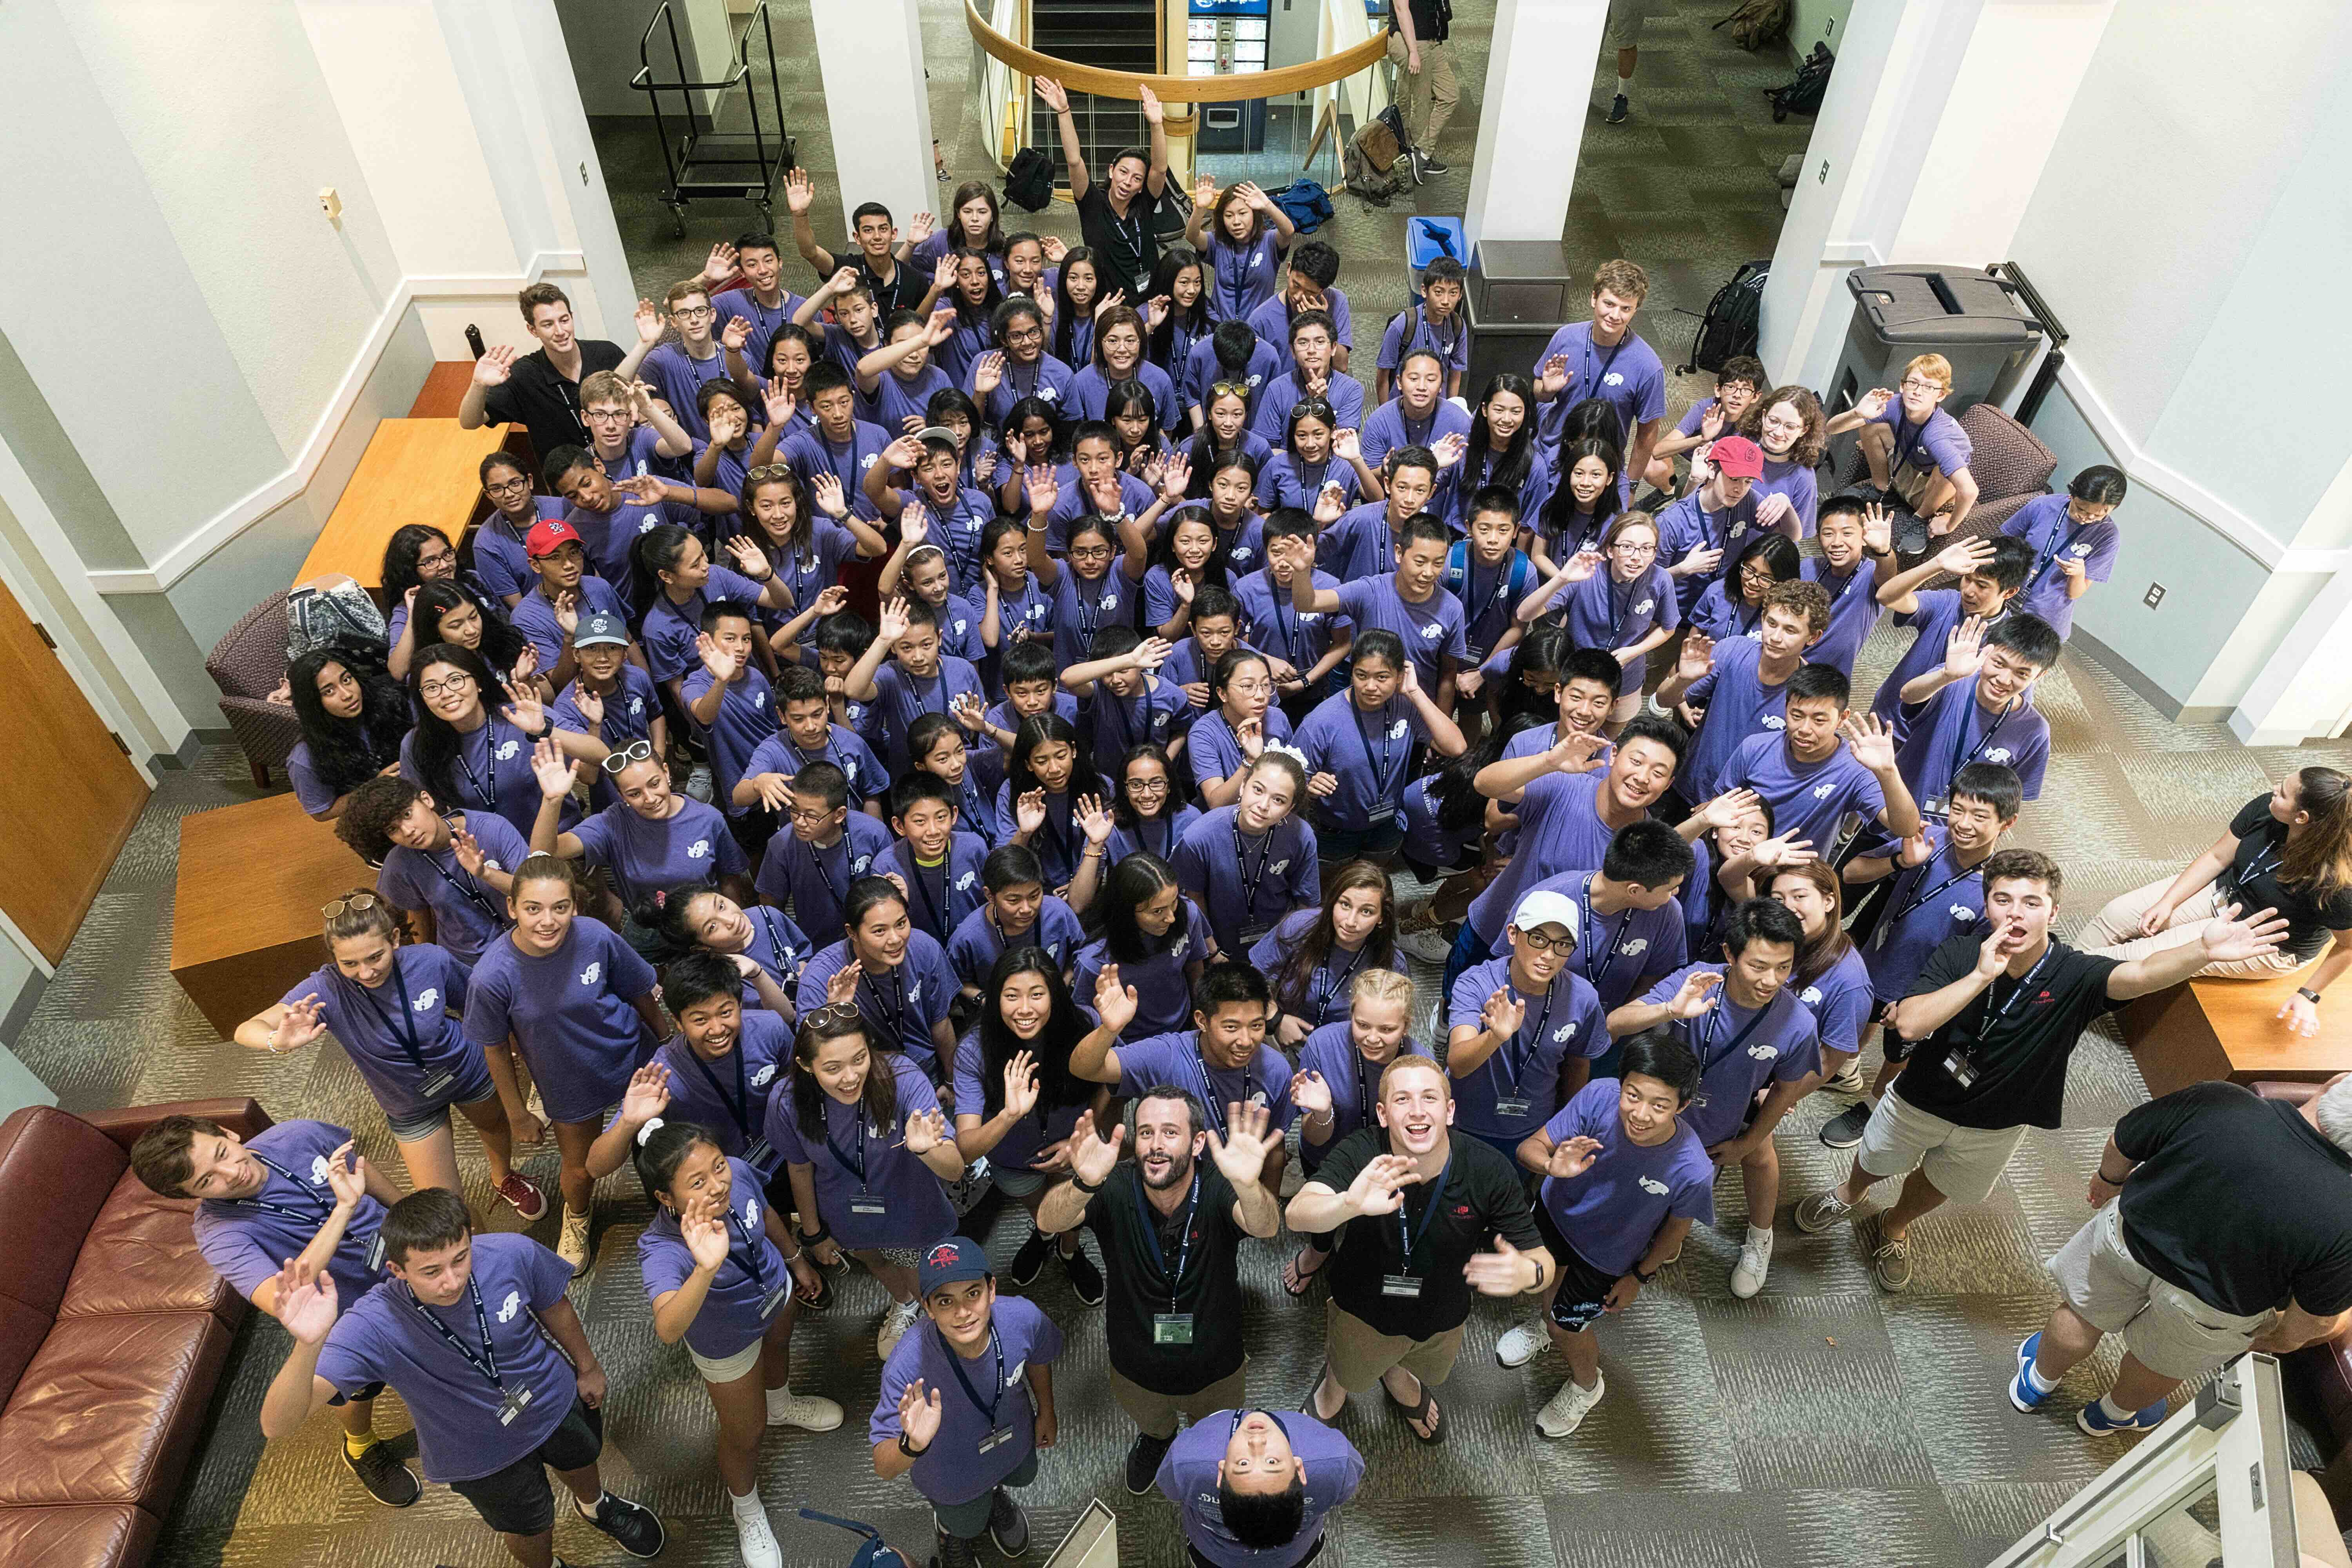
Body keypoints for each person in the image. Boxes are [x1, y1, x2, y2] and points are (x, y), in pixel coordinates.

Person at [1795, 851, 2290, 1292]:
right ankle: (1849, 1193)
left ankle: (1895, 1226)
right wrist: (1980, 976)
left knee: (1942, 1179)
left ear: (2053, 912)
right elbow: (1910, 1021)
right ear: (1988, 906)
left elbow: (2140, 974)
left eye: (2031, 903)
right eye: (2003, 900)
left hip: (1999, 1121)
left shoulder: (2075, 972)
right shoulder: (1960, 954)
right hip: (1920, 1097)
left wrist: (2201, 952)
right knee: (1878, 1155)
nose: (2016, 913)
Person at [256, 1188, 666, 1567]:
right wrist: (307, 1345)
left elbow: (554, 1305)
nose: (451, 1280)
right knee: (530, 1525)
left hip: (552, 1398)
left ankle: (595, 1505)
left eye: (460, 1258)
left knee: (581, 1457)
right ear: (397, 1268)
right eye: (431, 1271)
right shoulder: (372, 1324)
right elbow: (278, 1423)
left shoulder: (510, 1253)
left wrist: (588, 1365)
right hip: (477, 1453)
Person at [2011, 1077, 2352, 1435]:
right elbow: (2313, 1321)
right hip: (2215, 1306)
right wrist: (2280, 1340)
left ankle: (2037, 1381)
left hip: (2129, 1242)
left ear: (2331, 1085)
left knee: (2081, 1316)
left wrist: (2108, 1180)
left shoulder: (2222, 1100)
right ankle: (2113, 1414)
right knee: (2159, 1366)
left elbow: (2122, 1141)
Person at [129, 1118, 421, 1507]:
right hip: (350, 1314)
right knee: (359, 1390)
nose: (232, 1172)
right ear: (187, 1195)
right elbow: (284, 1298)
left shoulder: (298, 1135)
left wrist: (414, 1215)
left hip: (404, 1262)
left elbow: (362, 1173)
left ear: (227, 1133)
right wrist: (342, 1211)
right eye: (206, 1181)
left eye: (222, 1153)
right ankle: (361, 1446)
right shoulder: (219, 1235)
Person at [1290, 1053, 1555, 1441]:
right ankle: (1335, 1383)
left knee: (1424, 1366)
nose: (1417, 1111)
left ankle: (1397, 1372)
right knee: (1350, 1367)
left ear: (1449, 1111)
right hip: (1363, 1307)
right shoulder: (1363, 1152)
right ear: (1383, 1114)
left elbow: (1541, 1263)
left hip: (1443, 1314)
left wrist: (1528, 1274)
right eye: (1402, 1100)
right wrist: (1348, 1204)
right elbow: (1298, 1213)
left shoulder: (1487, 1169)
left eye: (1429, 1098)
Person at [1033, 1083, 1281, 1491]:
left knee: (1216, 1430)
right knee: (1153, 1421)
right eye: (1146, 1132)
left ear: (1198, 1141)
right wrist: (1083, 1184)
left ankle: (1204, 1448)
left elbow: (1266, 1226)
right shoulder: (1113, 1184)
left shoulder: (1219, 1183)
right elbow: (1048, 1221)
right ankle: (1158, 1439)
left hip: (1217, 1362)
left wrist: (1250, 1185)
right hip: (1135, 1362)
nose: (1155, 1145)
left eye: (1170, 1132)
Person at [232, 894, 541, 1214]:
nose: (366, 973)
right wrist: (276, 1041)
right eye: (349, 964)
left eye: (374, 957)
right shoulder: (326, 988)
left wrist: (512, 1054)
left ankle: (503, 1177)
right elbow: (246, 1029)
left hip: (466, 1068)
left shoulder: (431, 960)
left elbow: (481, 1010)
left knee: (493, 1127)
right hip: (408, 1102)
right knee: (445, 1207)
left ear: (394, 939)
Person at [622, 1117, 839, 1568]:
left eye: (717, 1167)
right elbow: (667, 1328)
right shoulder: (660, 1247)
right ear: (667, 1198)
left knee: (779, 1353)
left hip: (775, 1294)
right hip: (726, 1340)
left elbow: (767, 1212)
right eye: (697, 1183)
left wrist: (796, 1261)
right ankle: (747, 1510)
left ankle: (783, 1405)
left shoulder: (738, 1172)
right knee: (747, 1432)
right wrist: (704, 1268)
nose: (718, 1185)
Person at [463, 855, 667, 1273]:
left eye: (560, 907)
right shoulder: (491, 976)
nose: (547, 921)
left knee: (664, 1142)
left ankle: (673, 1201)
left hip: (633, 1057)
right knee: (579, 1168)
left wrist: (666, 1043)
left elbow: (640, 990)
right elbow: (496, 1048)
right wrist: (517, 1113)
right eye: (533, 909)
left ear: (575, 905)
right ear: (513, 908)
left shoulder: (595, 936)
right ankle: (576, 1217)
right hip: (567, 1080)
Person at [1510, 1031, 1716, 1436]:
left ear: (1683, 1106)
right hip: (1555, 1214)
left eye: (1660, 1105)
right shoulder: (1599, 1095)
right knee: (1542, 1283)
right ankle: (1545, 1324)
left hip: (1607, 1257)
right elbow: (1529, 1148)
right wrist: (1551, 1166)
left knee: (1567, 1327)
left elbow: (1677, 1230)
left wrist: (1639, 1277)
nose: (1640, 1113)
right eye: (1633, 1095)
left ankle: (1587, 1386)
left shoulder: (1693, 1169)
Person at [1824, 762, 2021, 1151]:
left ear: (2007, 822)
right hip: (1877, 960)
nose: (1963, 823)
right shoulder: (1925, 836)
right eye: (1958, 809)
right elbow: (1850, 873)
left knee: (1898, 1052)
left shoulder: (1997, 893)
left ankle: (1875, 1105)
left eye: (1980, 816)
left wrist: (1923, 1004)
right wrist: (1899, 862)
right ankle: (1847, 1069)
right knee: (1863, 1014)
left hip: (1918, 992)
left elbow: (1973, 967)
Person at [771, 1004, 965, 1356]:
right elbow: (799, 1168)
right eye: (832, 1068)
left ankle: (933, 1331)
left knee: (926, 1286)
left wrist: (926, 1151)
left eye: (859, 1059)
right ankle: (903, 1304)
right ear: (805, 1066)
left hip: (909, 1210)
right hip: (845, 1212)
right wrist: (814, 1233)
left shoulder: (903, 1079)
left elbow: (955, 1169)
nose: (850, 1077)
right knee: (874, 1260)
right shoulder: (787, 1102)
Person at [2079, 765, 2352, 1008]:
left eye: (2282, 793)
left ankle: (2057, 988)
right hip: (2225, 893)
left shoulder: (2337, 884)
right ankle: (2055, 975)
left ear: (2302, 818)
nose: (2273, 790)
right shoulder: (2268, 810)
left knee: (2134, 957)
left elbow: (2348, 948)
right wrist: (2168, 902)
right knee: (2116, 913)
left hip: (2260, 938)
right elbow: (2217, 857)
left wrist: (2308, 995)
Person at [870, 1236, 1063, 1568]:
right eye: (945, 1302)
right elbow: (883, 1468)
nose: (962, 1313)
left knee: (1024, 1474)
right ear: (927, 1308)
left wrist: (1047, 1411)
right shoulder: (904, 1367)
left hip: (1014, 1438)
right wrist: (912, 1445)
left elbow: (1039, 1357)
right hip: (950, 1472)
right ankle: (949, 1532)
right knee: (966, 1522)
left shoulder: (1023, 1318)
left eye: (973, 1294)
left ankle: (994, 1495)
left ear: (991, 1290)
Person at [1457, 714, 1686, 989]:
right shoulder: (1564, 787)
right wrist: (1548, 762)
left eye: (1658, 773)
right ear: (1614, 755)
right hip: (1495, 928)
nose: (1643, 777)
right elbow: (1485, 784)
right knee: (1460, 1009)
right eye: (1636, 761)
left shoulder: (1649, 843)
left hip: (1561, 961)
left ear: (1669, 784)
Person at [1071, 961, 1299, 1189]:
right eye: (1231, 1027)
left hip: (1245, 1182)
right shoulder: (1167, 1056)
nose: (1246, 1041)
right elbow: (1085, 1068)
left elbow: (1275, 1146)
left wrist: (1270, 1206)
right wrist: (1109, 1030)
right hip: (1181, 1183)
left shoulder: (1277, 1069)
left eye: (1257, 1026)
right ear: (1202, 1021)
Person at [1446, 888, 1612, 1161]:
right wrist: (1495, 1037)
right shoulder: (1477, 983)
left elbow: (1578, 1065)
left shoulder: (1582, 998)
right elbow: (1458, 1064)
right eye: (1538, 939)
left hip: (1532, 1129)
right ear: (1513, 934)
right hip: (1465, 1121)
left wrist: (1565, 1128)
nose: (1549, 955)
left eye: (1563, 944)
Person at [402, 643, 608, 844]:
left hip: (558, 846)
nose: (446, 693)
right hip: (489, 858)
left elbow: (601, 756)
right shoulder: (416, 744)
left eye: (456, 680)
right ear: (422, 698)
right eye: (432, 688)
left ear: (478, 682)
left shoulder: (519, 715)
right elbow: (423, 812)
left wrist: (544, 730)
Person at [1655, 581, 1831, 812]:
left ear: (1813, 637)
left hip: (1741, 812)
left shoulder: (1809, 695)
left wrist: (1724, 804)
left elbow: (1788, 770)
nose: (1775, 637)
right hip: (1690, 781)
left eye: (1790, 630)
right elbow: (1663, 701)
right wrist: (1682, 679)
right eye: (1772, 623)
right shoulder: (1732, 650)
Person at [1886, 615, 2057, 829]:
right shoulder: (1953, 682)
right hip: (1897, 804)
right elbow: (1908, 696)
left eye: (2022, 673)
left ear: (2040, 676)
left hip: (1957, 832)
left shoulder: (2035, 731)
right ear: (1986, 650)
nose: (2004, 680)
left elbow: (2010, 797)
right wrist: (1946, 676)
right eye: (1999, 663)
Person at [458, 281, 662, 460]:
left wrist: (644, 345)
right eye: (548, 324)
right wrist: (478, 385)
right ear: (533, 330)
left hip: (626, 460)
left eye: (564, 320)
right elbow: (470, 422)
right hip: (570, 484)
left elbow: (632, 389)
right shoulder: (523, 375)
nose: (560, 331)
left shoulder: (605, 352)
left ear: (572, 318)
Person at [1156, 1406, 1365, 1568]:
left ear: (1220, 1473)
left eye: (1243, 1465)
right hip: (1292, 1558)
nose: (1257, 1443)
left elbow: (1171, 1490)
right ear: (1299, 1469)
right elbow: (1345, 1492)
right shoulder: (1337, 1461)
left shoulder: (1185, 1461)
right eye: (1272, 1462)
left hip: (1214, 1556)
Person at [795, 875, 962, 1077]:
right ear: (852, 933)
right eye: (879, 931)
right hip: (863, 1081)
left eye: (901, 924)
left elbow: (941, 1023)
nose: (895, 939)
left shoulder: (925, 948)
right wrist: (835, 1013)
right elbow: (812, 1058)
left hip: (927, 1072)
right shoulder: (821, 976)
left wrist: (952, 1082)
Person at [1867, 532, 2037, 723]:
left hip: (1938, 732)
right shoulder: (1948, 602)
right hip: (1891, 714)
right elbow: (1886, 597)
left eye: (1982, 586)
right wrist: (1936, 564)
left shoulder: (2014, 640)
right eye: (1967, 579)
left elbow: (2013, 706)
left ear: (2009, 592)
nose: (1968, 591)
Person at [1823, 353, 1979, 554]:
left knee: (1946, 470)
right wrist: (1857, 413)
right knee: (1871, 426)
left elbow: (1970, 491)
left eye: (1929, 387)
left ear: (1940, 396)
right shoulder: (1895, 404)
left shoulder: (1938, 436)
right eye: (1913, 383)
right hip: (1911, 465)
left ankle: (1921, 520)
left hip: (1934, 489)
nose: (1917, 392)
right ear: (1902, 386)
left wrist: (1950, 525)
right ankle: (1882, 490)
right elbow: (1831, 429)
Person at [1531, 261, 1666, 489]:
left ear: (1636, 310)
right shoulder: (1566, 337)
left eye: (1626, 309)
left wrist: (1631, 486)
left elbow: (1647, 436)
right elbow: (1538, 393)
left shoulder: (1648, 366)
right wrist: (1546, 390)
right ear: (1594, 299)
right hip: (1550, 453)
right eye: (1609, 304)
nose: (1615, 315)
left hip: (1599, 467)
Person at [1174, 751, 1322, 958]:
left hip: (1278, 944)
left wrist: (1288, 947)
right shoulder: (1199, 836)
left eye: (1279, 800)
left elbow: (1306, 902)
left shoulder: (1301, 836)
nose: (1263, 806)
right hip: (1219, 946)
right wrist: (1212, 951)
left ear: (1291, 808)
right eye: (1258, 790)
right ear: (1243, 786)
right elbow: (1194, 898)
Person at [1035, 76, 1169, 298]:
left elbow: (1160, 170)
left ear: (1141, 186)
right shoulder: (1092, 203)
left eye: (1137, 179)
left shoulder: (1144, 203)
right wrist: (1064, 111)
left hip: (1151, 297)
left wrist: (1156, 124)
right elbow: (1075, 161)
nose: (1127, 182)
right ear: (1111, 171)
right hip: (1111, 301)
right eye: (1123, 172)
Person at [1252, 860, 1406, 1044]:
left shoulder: (1392, 962)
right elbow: (1250, 975)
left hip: (1349, 1043)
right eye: (1345, 905)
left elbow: (1394, 1022)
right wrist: (1276, 1019)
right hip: (1287, 1030)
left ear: (1381, 918)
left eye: (1366, 911)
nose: (1350, 921)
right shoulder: (1300, 927)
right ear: (1333, 902)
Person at [1076, 852, 1210, 1041]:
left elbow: (1195, 967)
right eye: (1157, 911)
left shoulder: (1187, 913)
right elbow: (1084, 1019)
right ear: (1127, 911)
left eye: (1174, 902)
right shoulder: (1095, 960)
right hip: (1130, 1044)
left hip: (1184, 1028)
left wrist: (1199, 1020)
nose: (1171, 918)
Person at [754, 760, 894, 940]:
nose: (800, 822)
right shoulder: (781, 844)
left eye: (812, 816)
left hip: (875, 937)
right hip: (816, 944)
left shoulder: (874, 833)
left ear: (839, 815)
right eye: (794, 811)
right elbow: (770, 904)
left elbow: (892, 893)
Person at [2002, 465, 2127, 643]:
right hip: (2006, 596)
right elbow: (2004, 546)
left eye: (2098, 515)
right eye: (2081, 509)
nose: (2087, 518)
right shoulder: (2043, 506)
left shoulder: (2108, 537)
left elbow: (2075, 594)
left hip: (2046, 618)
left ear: (2115, 506)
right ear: (2072, 494)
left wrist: (2078, 574)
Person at [285, 644, 409, 821]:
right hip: (373, 818)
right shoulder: (304, 758)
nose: (347, 694)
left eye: (347, 680)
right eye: (329, 691)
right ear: (312, 702)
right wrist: (373, 790)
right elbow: (322, 813)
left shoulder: (391, 702)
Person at [783, 168, 928, 316]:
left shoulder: (916, 280)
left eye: (883, 229)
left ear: (894, 234)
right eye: (868, 230)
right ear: (857, 238)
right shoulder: (847, 270)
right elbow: (810, 252)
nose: (877, 236)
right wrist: (800, 215)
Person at [1655, 433, 1764, 618]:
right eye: (1734, 478)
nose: (1740, 489)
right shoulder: (1670, 522)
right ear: (1712, 470)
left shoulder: (1747, 499)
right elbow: (1644, 582)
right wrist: (1682, 570)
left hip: (1720, 605)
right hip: (1675, 613)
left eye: (1748, 481)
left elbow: (1794, 536)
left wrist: (1783, 503)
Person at [1646, 354, 1764, 494]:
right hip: (1688, 462)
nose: (1737, 395)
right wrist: (1701, 439)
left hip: (1718, 472)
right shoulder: (1705, 408)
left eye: (1746, 390)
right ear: (1718, 390)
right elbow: (1658, 451)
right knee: (1651, 466)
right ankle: (1668, 492)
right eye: (1731, 387)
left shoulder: (1752, 425)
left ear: (1755, 396)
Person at [1376, 257, 1470, 403]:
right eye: (1439, 292)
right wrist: (1385, 415)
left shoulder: (1458, 326)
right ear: (1425, 291)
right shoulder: (1403, 324)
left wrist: (1451, 411)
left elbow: (1455, 375)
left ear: (1460, 295)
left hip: (1437, 406)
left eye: (1453, 293)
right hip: (1403, 405)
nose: (1446, 301)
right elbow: (1383, 375)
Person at [1386, 0, 1458, 180]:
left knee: (1450, 95)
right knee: (1421, 101)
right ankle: (1416, 151)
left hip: (1432, 41)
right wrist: (1413, 52)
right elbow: (1401, 9)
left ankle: (1421, 152)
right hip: (1414, 41)